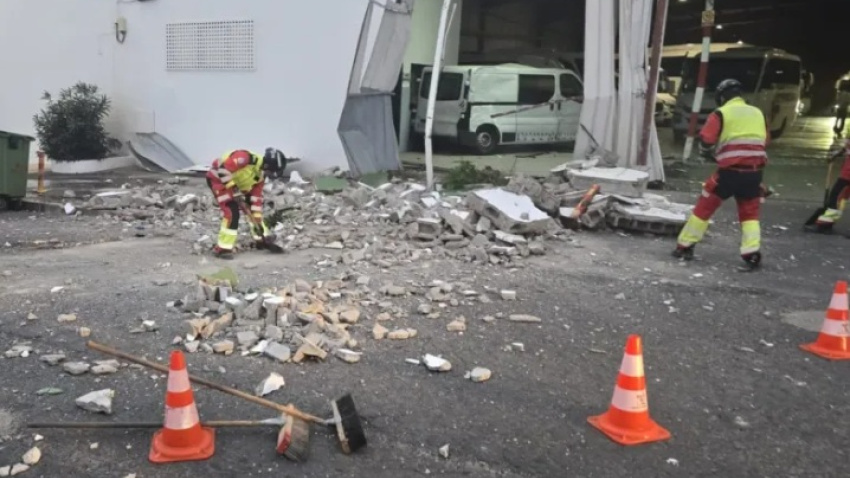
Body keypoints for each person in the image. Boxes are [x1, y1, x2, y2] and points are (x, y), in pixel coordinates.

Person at [673, 79, 770, 272]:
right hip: (754, 173)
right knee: (750, 214)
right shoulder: (758, 113)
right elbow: (765, 140)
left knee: (704, 208)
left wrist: (707, 152)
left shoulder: (721, 113)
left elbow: (707, 139)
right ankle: (751, 252)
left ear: (722, 97)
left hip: (729, 173)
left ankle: (685, 246)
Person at [206, 148, 286, 258]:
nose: (270, 174)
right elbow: (223, 171)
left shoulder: (261, 176)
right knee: (232, 212)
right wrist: (234, 190)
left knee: (254, 212)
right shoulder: (245, 158)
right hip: (218, 182)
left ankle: (261, 239)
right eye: (271, 171)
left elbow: (255, 198)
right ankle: (222, 249)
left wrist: (257, 217)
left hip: (237, 186)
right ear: (267, 165)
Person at [805, 138, 850, 234]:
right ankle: (827, 224)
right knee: (840, 199)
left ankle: (824, 225)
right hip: (846, 173)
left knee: (835, 198)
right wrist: (839, 153)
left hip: (847, 175)